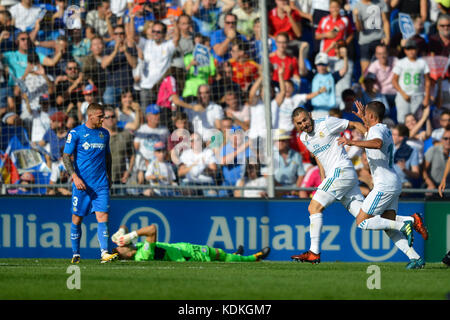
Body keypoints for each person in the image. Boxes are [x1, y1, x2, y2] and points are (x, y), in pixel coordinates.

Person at [337, 101, 427, 269]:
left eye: (367, 116)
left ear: (372, 116)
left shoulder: (377, 131)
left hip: (384, 184)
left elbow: (376, 143)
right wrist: (363, 118)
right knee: (388, 226)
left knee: (362, 222)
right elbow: (370, 134)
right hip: (393, 182)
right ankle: (415, 258)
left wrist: (352, 143)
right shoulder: (384, 128)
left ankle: (408, 221)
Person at [290, 107, 367, 263]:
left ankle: (314, 252)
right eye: (299, 123)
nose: (304, 124)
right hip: (339, 176)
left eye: (305, 119)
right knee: (365, 220)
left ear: (310, 116)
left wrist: (371, 140)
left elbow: (353, 124)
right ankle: (407, 222)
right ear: (296, 125)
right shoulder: (304, 138)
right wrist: (323, 177)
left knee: (313, 207)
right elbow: (319, 156)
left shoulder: (326, 122)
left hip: (341, 171)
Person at [62, 103, 118, 264]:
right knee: (77, 219)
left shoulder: (104, 134)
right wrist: (74, 176)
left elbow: (108, 157)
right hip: (82, 185)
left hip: (100, 184)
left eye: (104, 116)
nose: (103, 119)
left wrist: (109, 175)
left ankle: (104, 253)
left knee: (103, 215)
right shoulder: (76, 133)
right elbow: (66, 156)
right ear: (91, 116)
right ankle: (76, 253)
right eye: (100, 116)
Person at [111, 223, 270, 262]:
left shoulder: (134, 248)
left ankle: (234, 255)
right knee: (217, 254)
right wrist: (131, 235)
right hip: (186, 257)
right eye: (120, 248)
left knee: (218, 253)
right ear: (125, 256)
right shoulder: (143, 255)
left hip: (181, 248)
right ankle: (254, 257)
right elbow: (152, 229)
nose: (121, 245)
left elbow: (124, 227)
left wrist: (121, 233)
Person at [392, 39, 431, 124]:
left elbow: (428, 81)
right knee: (403, 120)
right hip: (404, 96)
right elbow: (394, 80)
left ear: (417, 49)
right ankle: (403, 136)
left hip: (418, 95)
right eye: (408, 49)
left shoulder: (422, 62)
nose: (411, 51)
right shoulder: (401, 62)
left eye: (413, 48)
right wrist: (403, 93)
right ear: (405, 50)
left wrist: (426, 97)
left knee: (417, 120)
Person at [102, 106, 136, 195]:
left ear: (116, 118)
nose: (110, 119)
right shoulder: (97, 136)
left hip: (120, 180)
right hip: (102, 181)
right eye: (107, 117)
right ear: (103, 119)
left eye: (113, 116)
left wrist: (129, 171)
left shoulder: (126, 134)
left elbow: (132, 155)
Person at [423, 128, 450, 196]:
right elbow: (423, 170)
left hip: (448, 188)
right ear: (441, 140)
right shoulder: (433, 150)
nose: (448, 141)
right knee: (429, 192)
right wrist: (430, 184)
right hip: (433, 185)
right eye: (446, 138)